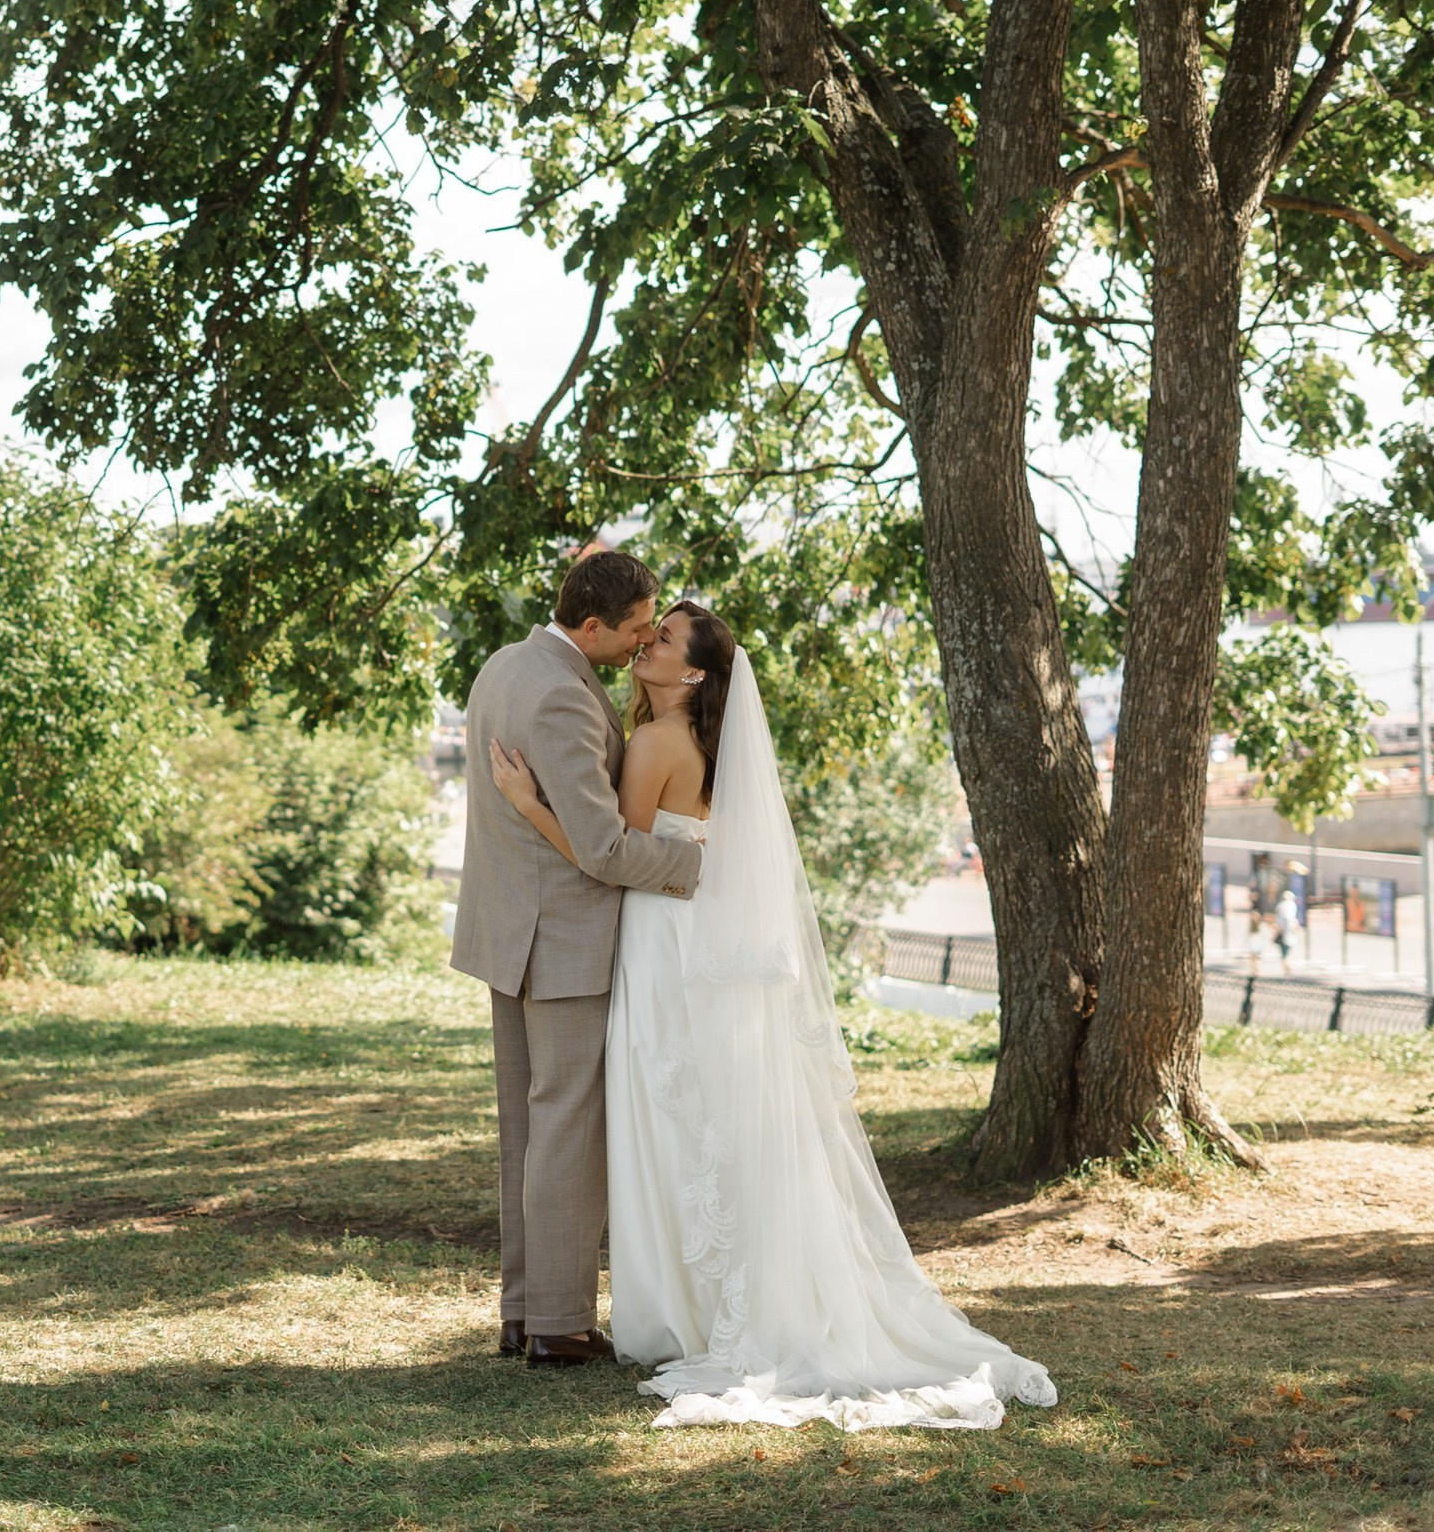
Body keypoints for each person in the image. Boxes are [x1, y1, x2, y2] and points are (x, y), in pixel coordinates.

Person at [490, 601, 1055, 1431]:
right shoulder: (705, 743)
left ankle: (682, 1308)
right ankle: (711, 1296)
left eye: (663, 638)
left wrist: (527, 802)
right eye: (648, 631)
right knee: (702, 1120)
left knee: (667, 1117)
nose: (647, 643)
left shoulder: (655, 741)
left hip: (659, 940)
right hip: (693, 936)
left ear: (693, 672)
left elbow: (609, 856)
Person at [448, 551, 703, 1368]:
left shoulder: (505, 663)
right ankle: (558, 1325)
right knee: (566, 1131)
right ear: (592, 625)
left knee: (529, 1129)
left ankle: (524, 1310)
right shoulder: (562, 693)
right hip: (560, 940)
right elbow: (602, 847)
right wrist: (694, 862)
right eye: (635, 629)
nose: (641, 644)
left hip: (512, 931)